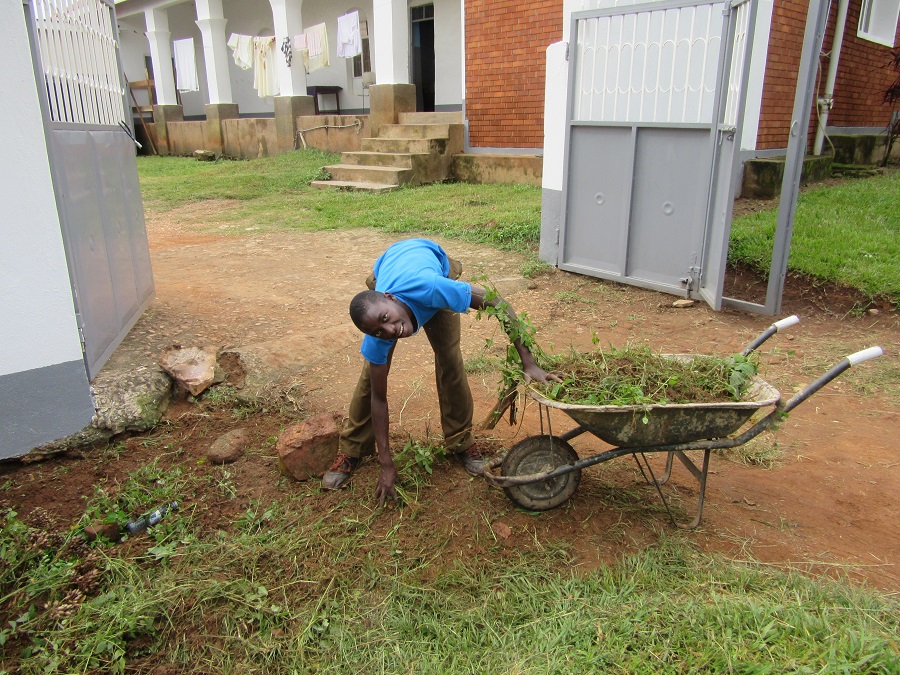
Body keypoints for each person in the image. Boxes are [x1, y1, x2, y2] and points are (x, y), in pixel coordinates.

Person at [324, 238, 557, 505]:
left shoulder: (434, 288)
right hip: (388, 267)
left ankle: (461, 440)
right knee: (371, 379)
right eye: (378, 330)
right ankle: (352, 449)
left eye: (386, 320)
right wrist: (386, 464)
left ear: (389, 298)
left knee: (449, 358)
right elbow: (379, 399)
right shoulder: (378, 331)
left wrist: (529, 362)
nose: (389, 332)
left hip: (429, 265)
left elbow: (498, 302)